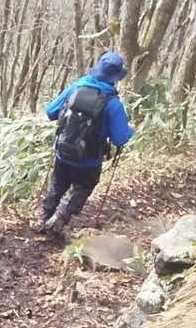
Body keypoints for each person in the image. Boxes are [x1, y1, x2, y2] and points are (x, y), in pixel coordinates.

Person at [36, 50, 135, 236]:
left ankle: (44, 217)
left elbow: (50, 112)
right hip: (89, 160)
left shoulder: (76, 87)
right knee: (84, 187)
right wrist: (130, 130)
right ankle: (60, 217)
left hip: (63, 152)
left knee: (58, 184)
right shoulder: (113, 103)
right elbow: (120, 138)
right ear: (115, 78)